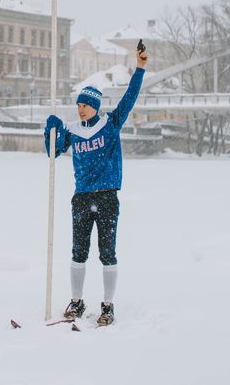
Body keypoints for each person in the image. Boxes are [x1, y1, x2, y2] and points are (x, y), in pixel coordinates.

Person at [45, 42, 148, 326]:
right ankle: (77, 301)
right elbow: (53, 152)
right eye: (78, 105)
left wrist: (140, 68)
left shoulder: (111, 124)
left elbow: (130, 97)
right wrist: (51, 131)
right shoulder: (73, 130)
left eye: (85, 106)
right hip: (81, 197)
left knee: (107, 252)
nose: (80, 110)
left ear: (95, 107)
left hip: (106, 197)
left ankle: (107, 305)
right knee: (78, 251)